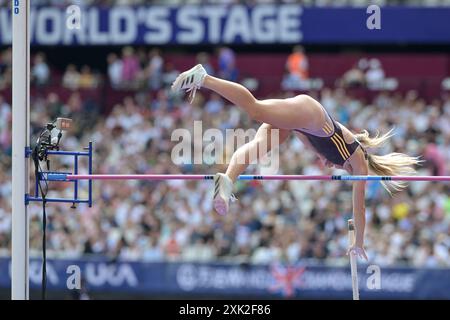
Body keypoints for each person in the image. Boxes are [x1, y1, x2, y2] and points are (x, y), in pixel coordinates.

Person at [171, 64, 421, 260]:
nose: (332, 166)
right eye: (337, 165)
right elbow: (360, 209)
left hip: (302, 125)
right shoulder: (358, 164)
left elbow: (312, 138)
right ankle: (205, 77)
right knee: (254, 110)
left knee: (255, 149)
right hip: (309, 115)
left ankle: (226, 184)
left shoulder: (338, 152)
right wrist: (359, 242)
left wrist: (321, 154)